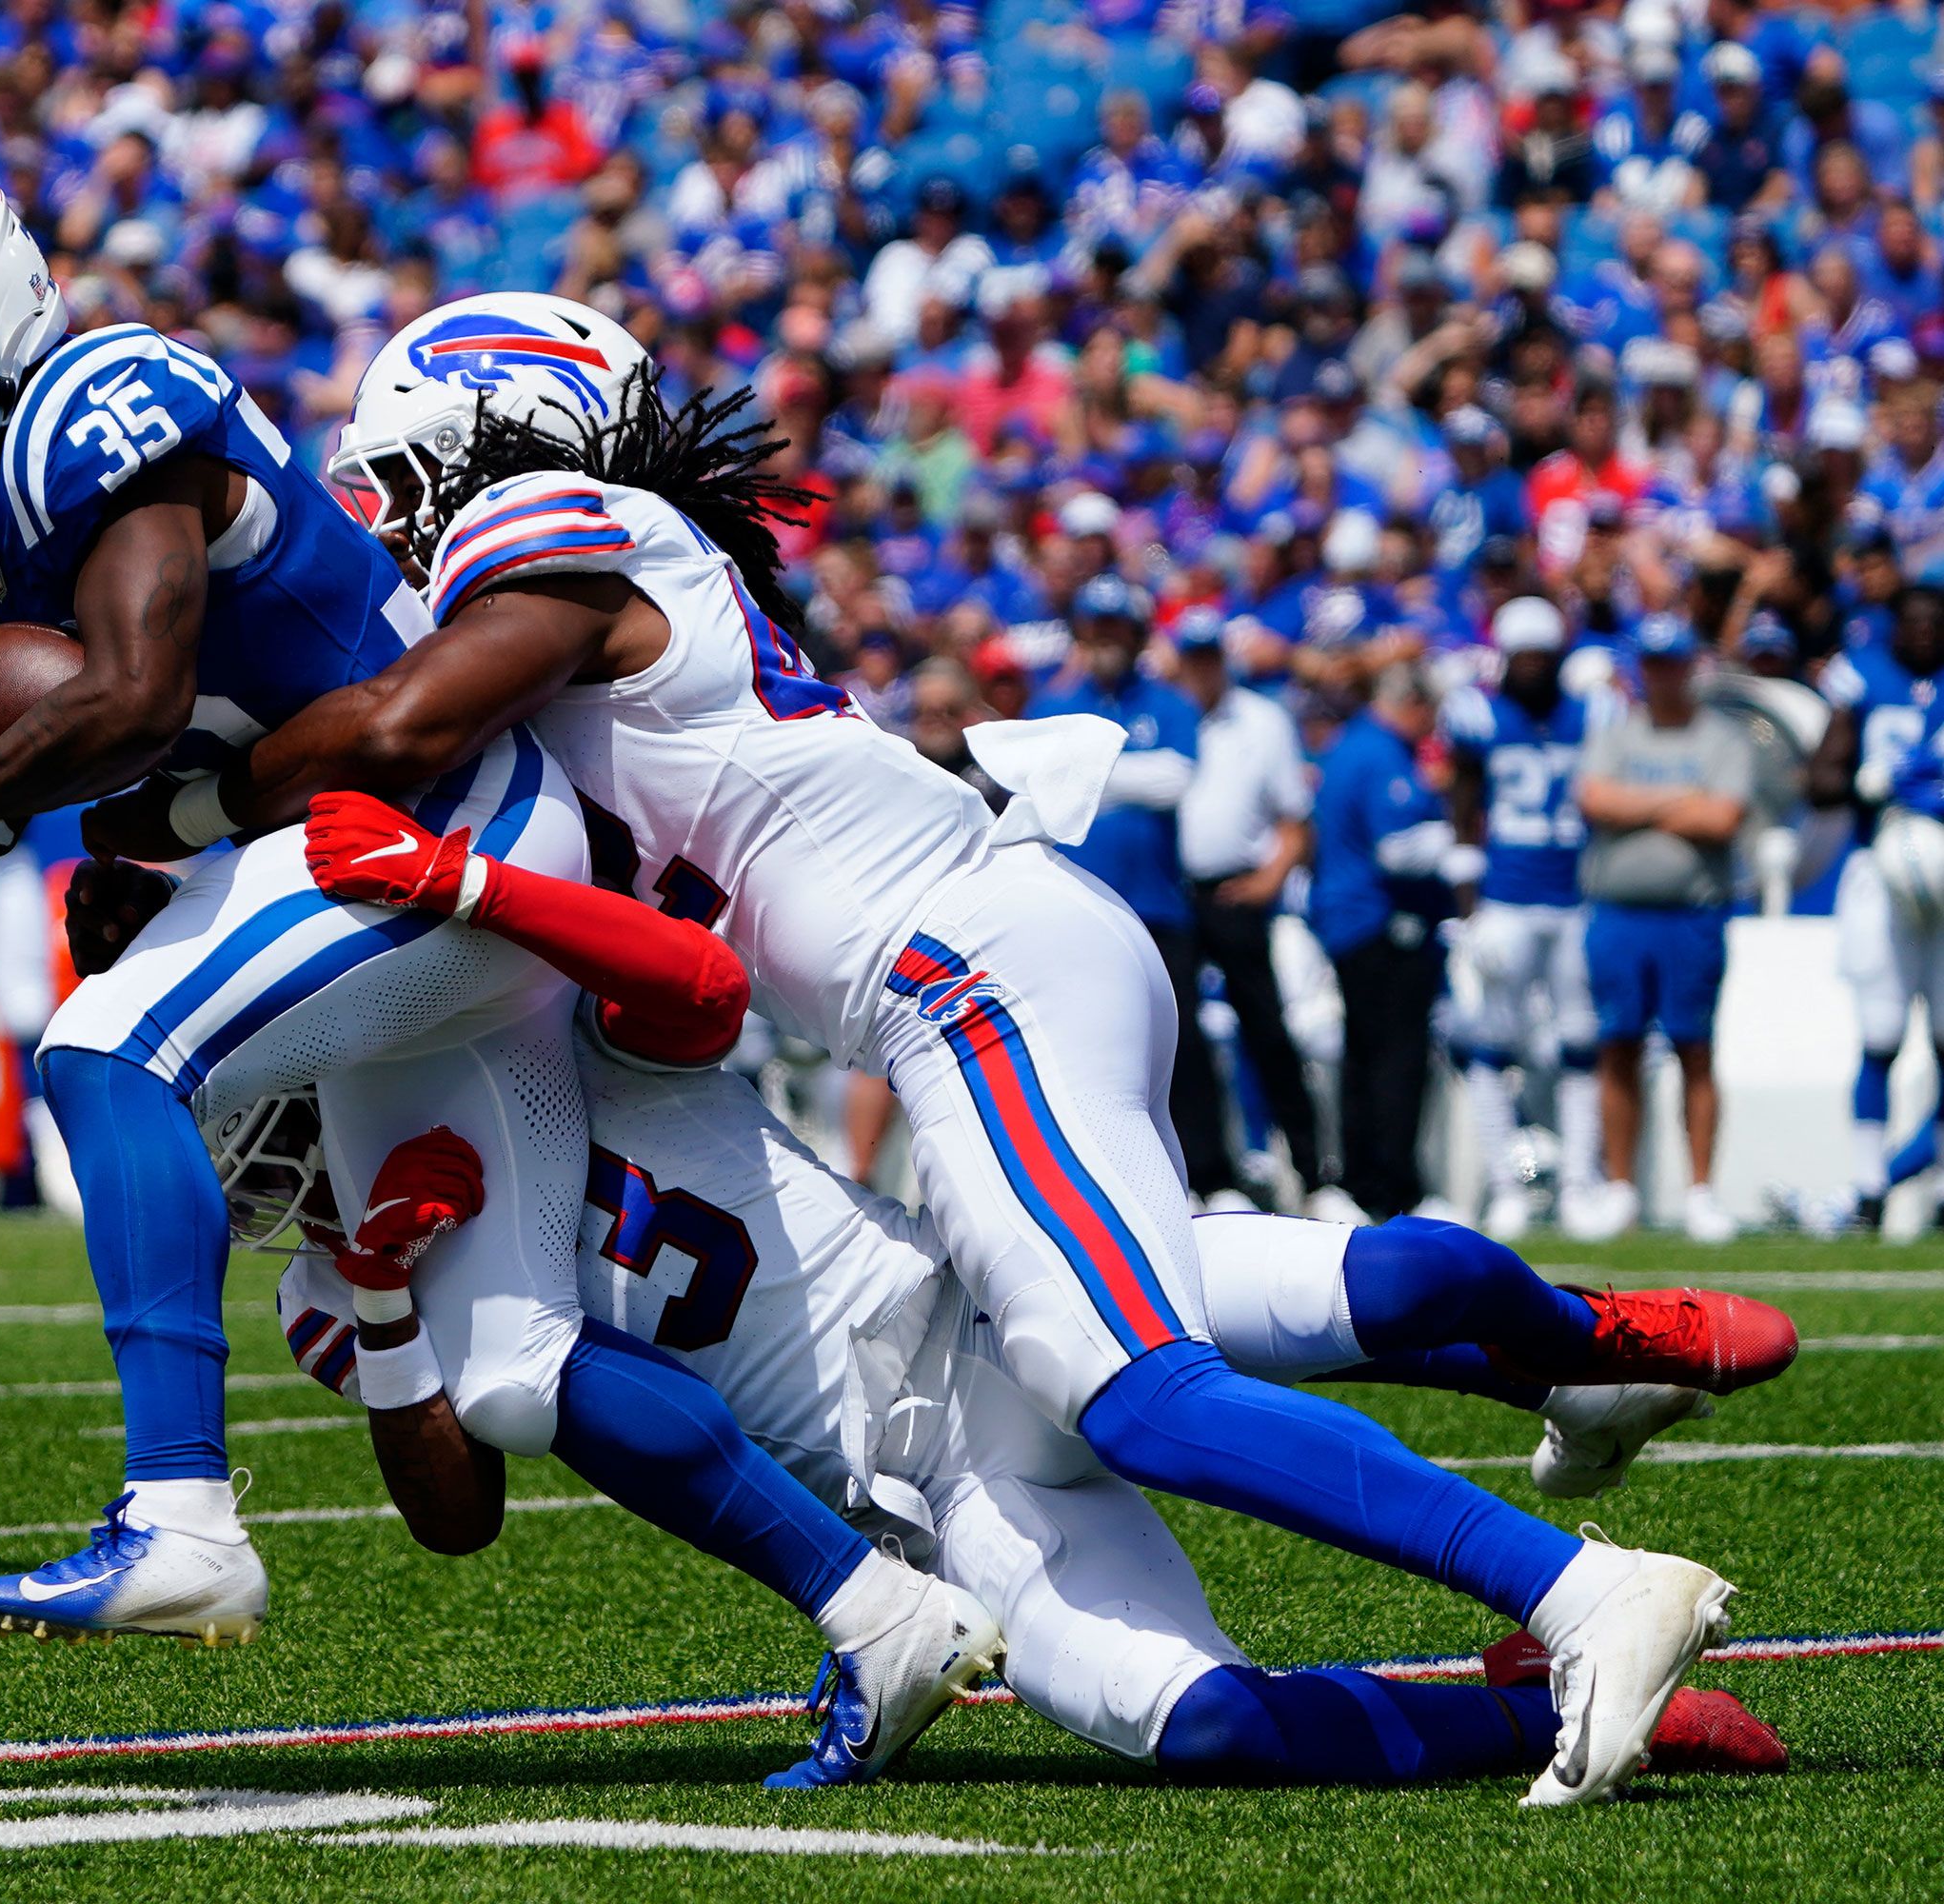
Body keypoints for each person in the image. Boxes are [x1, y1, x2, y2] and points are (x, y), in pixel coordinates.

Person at [86, 292, 1746, 1806]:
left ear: (492, 436)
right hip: (947, 1282)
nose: (378, 524)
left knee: (1134, 1380)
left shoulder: (560, 572)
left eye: (394, 480)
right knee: (1209, 1691)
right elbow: (457, 1503)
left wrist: (298, 828)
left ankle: (1580, 1577)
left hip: (964, 1000)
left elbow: (495, 824)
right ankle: (1577, 1486)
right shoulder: (377, 1181)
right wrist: (378, 1291)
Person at [0, 199, 985, 1766]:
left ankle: (182, 1515)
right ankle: (881, 1613)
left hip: (426, 825)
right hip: (361, 852)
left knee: (107, 1049)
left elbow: (125, 705)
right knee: (515, 1371)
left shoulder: (99, 403)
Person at [121, 805, 1792, 1791]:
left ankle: (1591, 1354)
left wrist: (469, 893)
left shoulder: (519, 1041)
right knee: (1202, 1734)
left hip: (974, 1294)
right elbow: (460, 1512)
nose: (255, 1146)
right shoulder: (331, 1298)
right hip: (935, 1486)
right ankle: (1521, 1706)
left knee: (1399, 1272)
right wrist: (398, 1302)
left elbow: (693, 993)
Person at [1030, 575, 1236, 1205]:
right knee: (1083, 1045)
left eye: (1117, 629)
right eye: (1095, 629)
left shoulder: (1167, 703)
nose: (1105, 641)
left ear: (1139, 636)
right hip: (1076, 907)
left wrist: (1088, 774)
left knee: (1178, 1043)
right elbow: (1041, 788)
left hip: (1155, 904)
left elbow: (1176, 779)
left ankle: (1210, 1177)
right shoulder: (1053, 703)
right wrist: (1117, 778)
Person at [1568, 616, 1756, 1244]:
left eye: (1671, 662)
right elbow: (1595, 801)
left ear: (1690, 665)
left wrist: (1637, 808)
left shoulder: (1721, 736)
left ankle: (1700, 1190)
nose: (1662, 674)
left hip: (1691, 913)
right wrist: (1681, 801)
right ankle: (1621, 1186)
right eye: (1651, 663)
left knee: (1694, 1048)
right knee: (1616, 1046)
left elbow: (1723, 817)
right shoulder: (1616, 733)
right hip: (1618, 910)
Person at [1443, 597, 1607, 1241]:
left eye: (1545, 655)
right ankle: (1506, 1186)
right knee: (1488, 1043)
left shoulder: (1592, 711)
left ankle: (1580, 1186)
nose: (1535, 668)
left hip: (1573, 900)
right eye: (1524, 656)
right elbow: (1462, 805)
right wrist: (1468, 910)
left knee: (1579, 1043)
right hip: (1506, 899)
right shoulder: (1478, 714)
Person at [1172, 607, 1328, 1209]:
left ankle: (1314, 1170)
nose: (1203, 669)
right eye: (1194, 657)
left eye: (1211, 656)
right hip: (1174, 895)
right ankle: (1210, 1175)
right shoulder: (1167, 717)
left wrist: (1269, 878)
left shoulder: (1261, 721)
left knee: (1267, 1029)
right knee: (1183, 1038)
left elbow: (1293, 817)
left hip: (1238, 887)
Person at [1312, 663, 1467, 1225]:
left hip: (1350, 922)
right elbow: (1397, 849)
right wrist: (1462, 843)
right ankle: (1391, 1183)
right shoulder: (1381, 753)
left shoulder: (1352, 745)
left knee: (1364, 1056)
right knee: (1396, 1059)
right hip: (1380, 923)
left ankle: (1362, 1179)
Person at [1811, 584, 1944, 1232]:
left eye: (1934, 622)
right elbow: (1818, 778)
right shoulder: (1861, 676)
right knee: (1881, 1035)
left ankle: (1932, 1178)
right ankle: (1869, 1186)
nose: (1924, 632)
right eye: (1912, 621)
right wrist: (1865, 783)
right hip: (1879, 871)